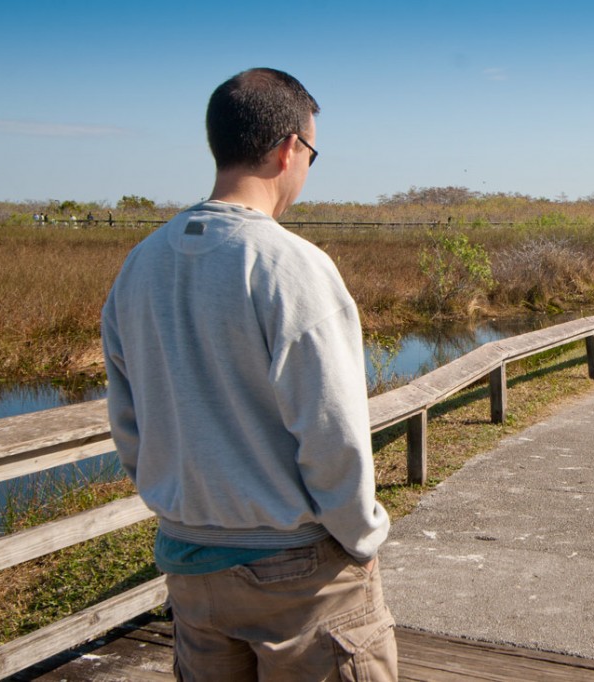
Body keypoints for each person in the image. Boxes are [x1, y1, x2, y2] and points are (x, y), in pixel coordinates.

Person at [101, 68, 396, 681]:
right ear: (289, 147)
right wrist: (361, 538)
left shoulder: (141, 265)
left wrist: (178, 503)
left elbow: (129, 424)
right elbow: (332, 433)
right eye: (312, 153)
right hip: (299, 574)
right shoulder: (291, 266)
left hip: (190, 565)